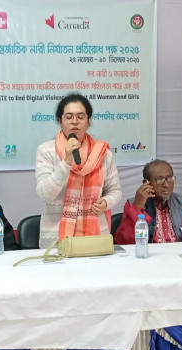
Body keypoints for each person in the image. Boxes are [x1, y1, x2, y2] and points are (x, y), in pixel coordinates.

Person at [35, 93, 122, 248]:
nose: (75, 121)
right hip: (56, 238)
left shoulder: (102, 153)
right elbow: (45, 194)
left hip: (95, 236)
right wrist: (66, 161)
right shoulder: (46, 150)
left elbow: (115, 190)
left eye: (80, 117)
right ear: (60, 120)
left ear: (88, 121)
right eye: (69, 117)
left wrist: (106, 202)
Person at [114, 159, 182, 245]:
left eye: (170, 178)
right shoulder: (133, 204)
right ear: (146, 183)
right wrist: (137, 208)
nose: (166, 185)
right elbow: (123, 242)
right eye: (160, 180)